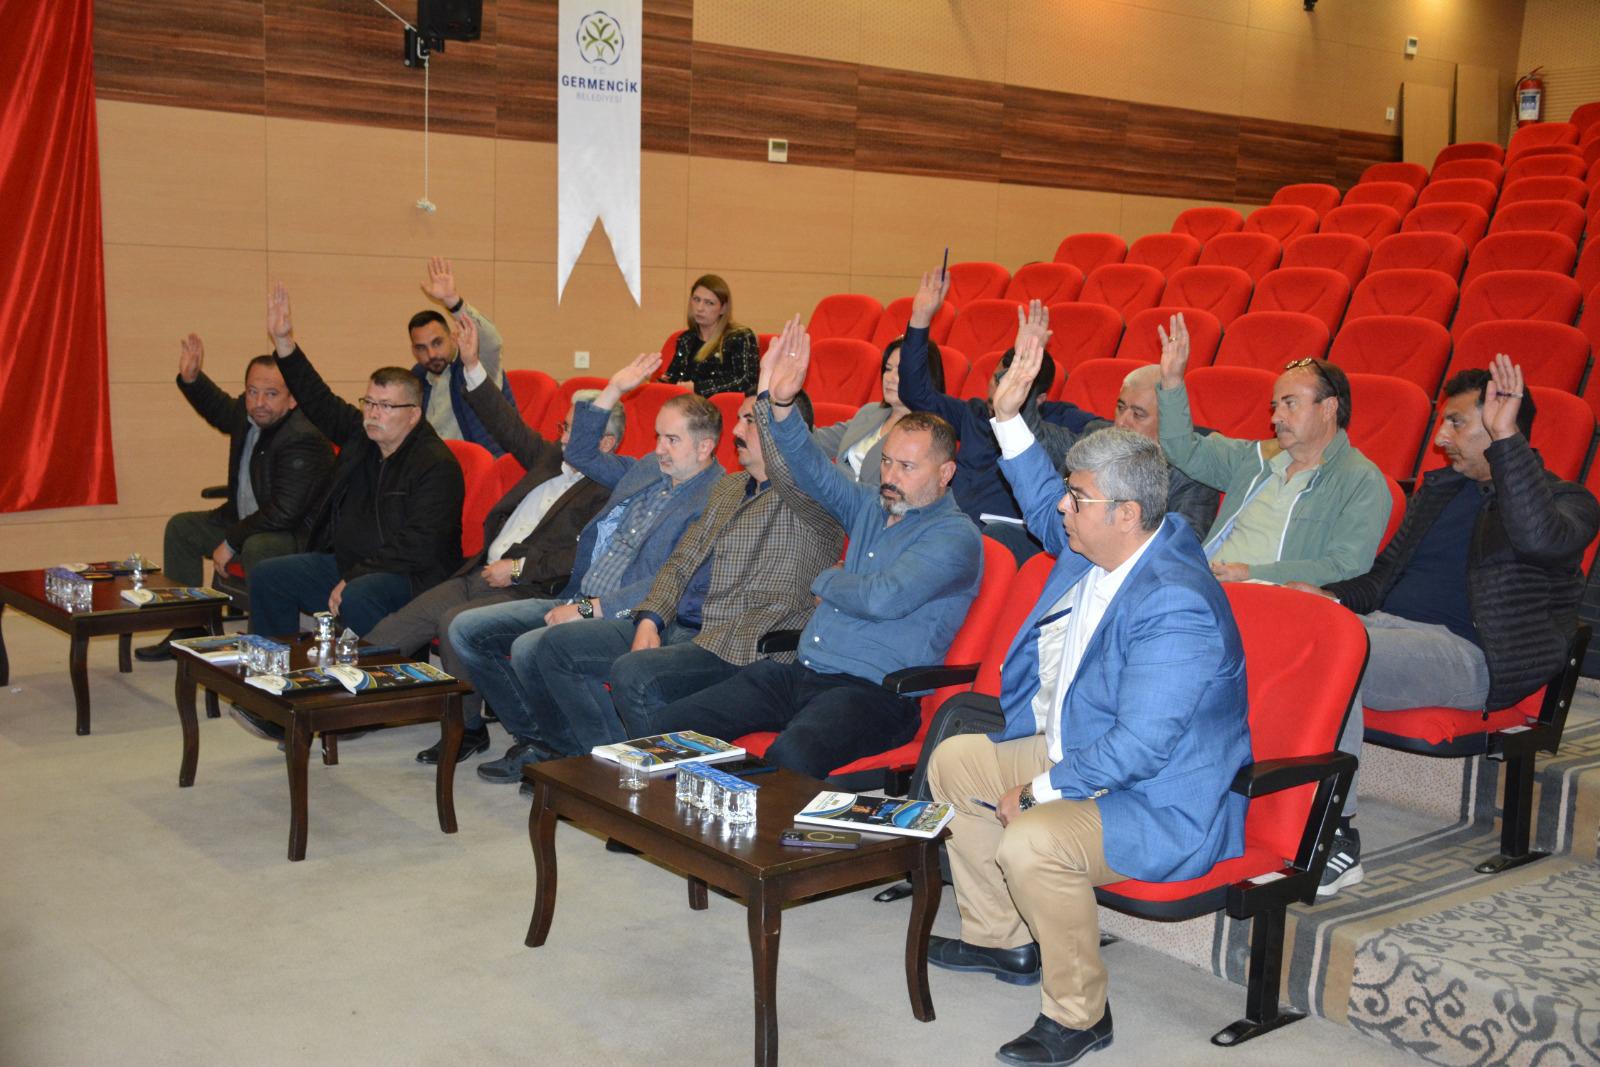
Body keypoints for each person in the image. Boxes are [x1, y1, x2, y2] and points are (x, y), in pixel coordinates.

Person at [927, 334, 1250, 1067]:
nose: (1062, 510)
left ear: (1127, 512)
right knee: (955, 763)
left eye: (1078, 498)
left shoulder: (1176, 602)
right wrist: (1008, 418)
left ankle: (1080, 1013)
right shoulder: (1097, 543)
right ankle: (1003, 940)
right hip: (1086, 753)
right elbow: (1043, 500)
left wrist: (1037, 791)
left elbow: (1141, 747)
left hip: (1160, 799)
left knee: (1032, 837)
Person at [1287, 355, 1600, 897]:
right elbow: (1382, 576)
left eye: (1456, 422)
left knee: (1336, 653)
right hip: (1386, 628)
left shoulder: (1567, 502)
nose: (1440, 437)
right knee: (1283, 633)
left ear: (1502, 424)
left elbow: (1537, 538)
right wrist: (1328, 596)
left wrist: (1507, 445)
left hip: (1469, 655)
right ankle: (1271, 804)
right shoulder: (1442, 491)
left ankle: (1336, 835)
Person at [637, 316, 983, 777]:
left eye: (907, 467)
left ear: (945, 474)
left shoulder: (955, 537)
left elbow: (882, 598)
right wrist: (779, 407)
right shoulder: (871, 504)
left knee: (789, 759)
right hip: (804, 672)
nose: (890, 477)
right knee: (669, 727)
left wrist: (826, 580)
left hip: (874, 695)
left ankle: (751, 822)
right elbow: (811, 469)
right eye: (886, 462)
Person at [512, 391, 846, 765]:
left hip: (748, 641)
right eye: (739, 418)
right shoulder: (730, 487)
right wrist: (651, 618)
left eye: (750, 421)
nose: (736, 431)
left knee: (634, 674)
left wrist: (776, 397)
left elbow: (795, 462)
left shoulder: (811, 496)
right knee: (557, 648)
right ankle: (607, 765)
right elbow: (681, 562)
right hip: (691, 626)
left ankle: (648, 777)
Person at [449, 351, 724, 782]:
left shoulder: (714, 498)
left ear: (705, 447)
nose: (658, 449)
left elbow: (669, 579)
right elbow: (580, 452)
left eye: (672, 440)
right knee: (467, 631)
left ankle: (582, 761)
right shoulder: (649, 469)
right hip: (578, 594)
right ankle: (543, 742)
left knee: (533, 648)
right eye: (658, 436)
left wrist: (585, 610)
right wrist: (613, 390)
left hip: (635, 615)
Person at [362, 315, 618, 764]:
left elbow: (578, 558)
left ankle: (468, 729)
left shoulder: (609, 490)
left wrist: (516, 569)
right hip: (479, 572)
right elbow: (504, 423)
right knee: (393, 631)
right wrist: (472, 365)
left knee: (453, 625)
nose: (563, 438)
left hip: (527, 587)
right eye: (563, 428)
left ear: (608, 443)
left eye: (574, 431)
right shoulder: (549, 458)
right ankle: (335, 703)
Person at [246, 283, 463, 649]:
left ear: (413, 415)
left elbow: (418, 546)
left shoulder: (436, 465)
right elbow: (318, 399)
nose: (373, 414)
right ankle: (276, 668)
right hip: (352, 564)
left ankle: (375, 678)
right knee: (270, 574)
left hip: (411, 577)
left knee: (358, 594)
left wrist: (356, 575)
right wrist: (284, 343)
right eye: (369, 402)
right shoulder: (364, 436)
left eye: (385, 406)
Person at [1156, 312, 1391, 585]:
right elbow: (1181, 450)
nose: (1275, 418)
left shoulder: (1360, 479)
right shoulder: (1257, 457)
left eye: (1290, 404)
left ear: (1328, 408)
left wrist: (1251, 573)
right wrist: (1172, 381)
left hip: (1274, 598)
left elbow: (1345, 567)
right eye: (1275, 406)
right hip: (1207, 584)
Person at [136, 336, 333, 661]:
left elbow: (284, 512)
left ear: (292, 399)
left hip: (294, 535)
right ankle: (188, 628)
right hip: (246, 522)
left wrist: (231, 541)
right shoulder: (250, 414)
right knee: (182, 528)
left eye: (271, 394)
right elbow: (219, 409)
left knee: (258, 547)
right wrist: (192, 379)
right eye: (252, 391)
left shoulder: (303, 438)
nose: (259, 402)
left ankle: (265, 643)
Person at [894, 273, 1090, 562]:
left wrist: (1019, 393)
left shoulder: (1060, 422)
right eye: (998, 379)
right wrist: (920, 318)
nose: (1000, 390)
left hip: (1007, 541)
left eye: (1013, 381)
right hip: (951, 528)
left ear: (1039, 398)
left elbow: (1103, 438)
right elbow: (915, 394)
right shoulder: (974, 413)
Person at [1075, 361, 1219, 538]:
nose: (1121, 422)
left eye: (1138, 414)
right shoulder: (1096, 438)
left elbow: (1183, 541)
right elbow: (1060, 500)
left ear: (1167, 422)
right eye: (1120, 408)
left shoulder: (1193, 473)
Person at [408, 256, 516, 456]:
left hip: (480, 465)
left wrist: (453, 302)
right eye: (422, 348)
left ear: (452, 338)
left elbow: (492, 341)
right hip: (434, 465)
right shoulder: (418, 378)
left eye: (437, 343)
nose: (431, 354)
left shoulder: (476, 367)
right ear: (414, 352)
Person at [810, 336, 945, 488]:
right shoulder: (871, 411)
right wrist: (788, 403)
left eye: (901, 371)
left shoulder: (926, 436)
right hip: (829, 494)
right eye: (888, 369)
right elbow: (817, 440)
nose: (890, 378)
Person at [659, 274, 760, 397]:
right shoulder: (686, 339)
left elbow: (746, 381)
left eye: (709, 303)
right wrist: (656, 381)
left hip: (721, 406)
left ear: (723, 308)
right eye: (696, 299)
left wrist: (698, 388)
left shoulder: (740, 337)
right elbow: (673, 378)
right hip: (685, 404)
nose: (700, 308)